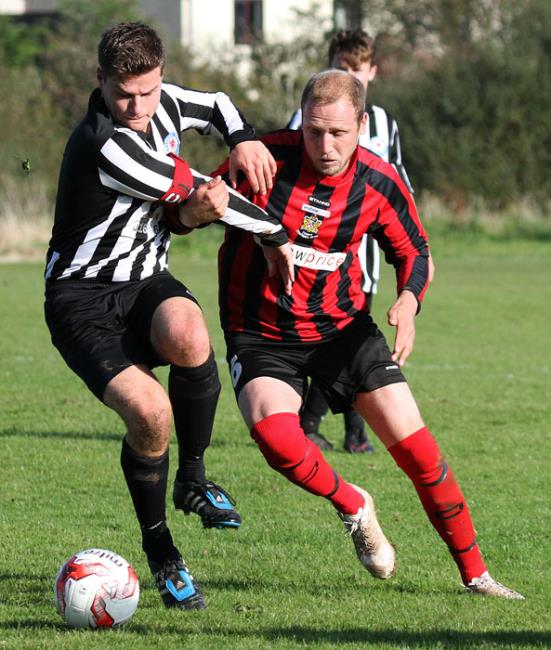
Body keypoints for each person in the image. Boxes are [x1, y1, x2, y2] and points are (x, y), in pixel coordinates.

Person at [214, 70, 523, 599]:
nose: (325, 146)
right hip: (261, 331)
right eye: (314, 132)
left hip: (343, 331)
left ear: (361, 124)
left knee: (419, 451)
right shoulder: (261, 159)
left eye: (338, 133)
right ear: (301, 122)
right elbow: (187, 208)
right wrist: (202, 204)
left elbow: (415, 253)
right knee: (273, 434)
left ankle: (477, 576)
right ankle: (353, 504)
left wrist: (409, 299)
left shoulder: (378, 182)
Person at [44, 21, 292, 612]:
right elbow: (206, 194)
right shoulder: (106, 141)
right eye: (123, 92)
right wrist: (277, 234)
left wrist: (246, 137)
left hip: (145, 283)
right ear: (100, 81)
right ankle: (162, 552)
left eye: (148, 91)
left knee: (190, 332)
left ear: (159, 76)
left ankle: (194, 480)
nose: (137, 105)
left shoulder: (165, 100)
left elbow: (216, 104)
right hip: (81, 298)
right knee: (151, 412)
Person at [288, 29, 419, 454]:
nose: (352, 78)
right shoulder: (311, 119)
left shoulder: (383, 123)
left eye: (358, 71)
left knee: (354, 335)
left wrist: (412, 233)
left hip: (366, 253)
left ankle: (341, 428)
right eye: (343, 70)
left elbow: (397, 180)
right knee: (340, 338)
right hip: (316, 251)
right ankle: (333, 427)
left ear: (372, 73)